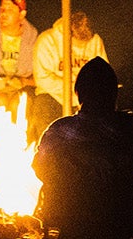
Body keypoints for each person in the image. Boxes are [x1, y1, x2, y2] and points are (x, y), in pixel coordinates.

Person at [32, 58, 133, 239]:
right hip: (122, 213)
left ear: (79, 93)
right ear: (114, 93)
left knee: (79, 205)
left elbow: (41, 167)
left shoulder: (59, 130)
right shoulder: (130, 127)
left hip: (67, 212)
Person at [31, 10, 108, 145]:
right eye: (78, 43)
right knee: (43, 107)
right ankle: (48, 155)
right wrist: (73, 89)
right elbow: (42, 79)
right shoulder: (48, 40)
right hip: (53, 96)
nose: (83, 46)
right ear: (69, 34)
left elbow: (103, 74)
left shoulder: (95, 41)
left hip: (84, 99)